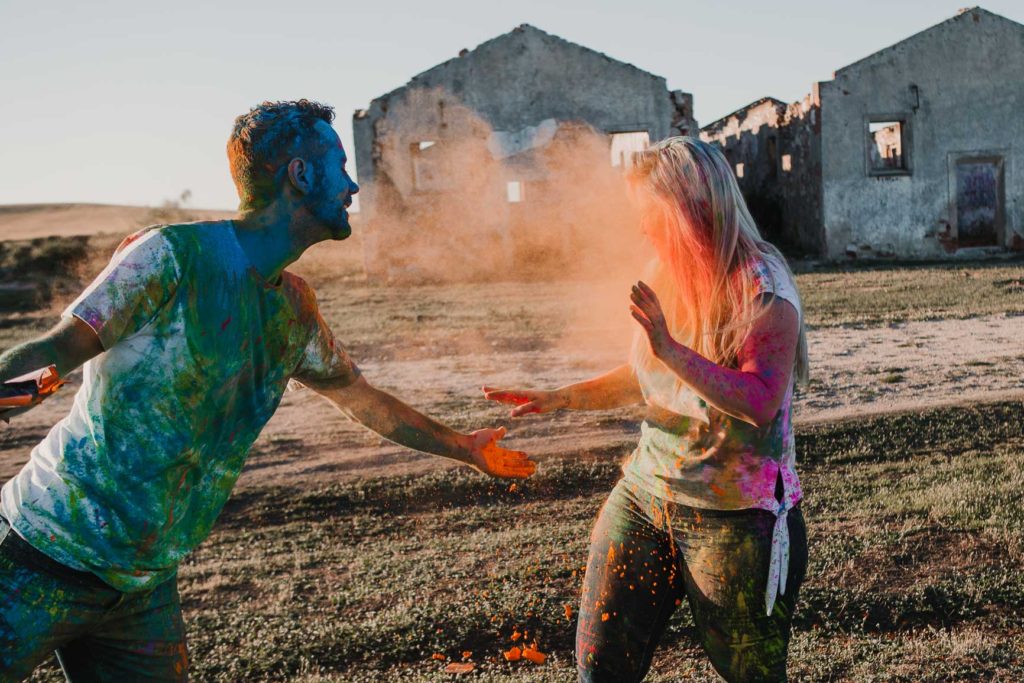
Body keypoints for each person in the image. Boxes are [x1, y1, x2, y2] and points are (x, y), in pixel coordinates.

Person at [0, 99, 535, 681]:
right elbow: (59, 350)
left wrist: (464, 447)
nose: (353, 185)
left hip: (141, 587)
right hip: (37, 556)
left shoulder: (293, 306)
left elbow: (361, 398)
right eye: (338, 164)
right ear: (300, 174)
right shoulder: (171, 256)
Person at [485, 137, 809, 682]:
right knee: (600, 667)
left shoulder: (762, 286)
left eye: (649, 215)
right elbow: (647, 374)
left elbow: (759, 401)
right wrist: (562, 396)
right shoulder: (665, 270)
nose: (641, 229)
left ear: (689, 208)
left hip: (734, 518)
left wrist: (670, 348)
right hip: (645, 493)